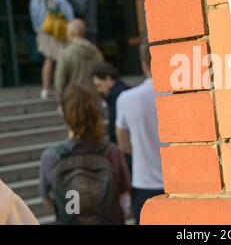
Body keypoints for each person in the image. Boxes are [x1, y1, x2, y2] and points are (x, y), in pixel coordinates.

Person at [39, 85, 131, 225]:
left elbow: (46, 198)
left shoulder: (51, 156)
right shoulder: (112, 152)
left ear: (62, 113)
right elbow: (124, 194)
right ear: (95, 111)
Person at [115, 42, 166, 224]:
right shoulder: (179, 94)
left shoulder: (126, 99)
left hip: (144, 182)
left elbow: (124, 145)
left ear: (144, 63)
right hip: (180, 181)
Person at [29, 0, 74, 99]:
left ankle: (46, 88)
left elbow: (34, 21)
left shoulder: (33, 0)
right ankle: (63, 87)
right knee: (62, 59)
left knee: (48, 60)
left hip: (42, 34)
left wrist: (40, 32)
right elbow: (68, 13)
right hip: (57, 32)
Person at [91, 62, 131, 172]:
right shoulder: (120, 93)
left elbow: (117, 127)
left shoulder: (118, 96)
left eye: (99, 85)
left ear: (108, 79)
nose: (99, 90)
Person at [54, 19, 103, 100]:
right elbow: (102, 75)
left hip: (74, 101)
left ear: (70, 33)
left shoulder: (66, 54)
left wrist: (61, 102)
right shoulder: (96, 51)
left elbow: (60, 82)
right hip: (94, 100)